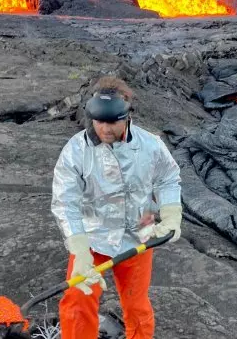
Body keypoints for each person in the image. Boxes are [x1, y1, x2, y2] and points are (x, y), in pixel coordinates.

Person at [50, 76, 182, 339]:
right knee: (77, 302)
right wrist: (79, 249)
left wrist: (170, 214)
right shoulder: (75, 151)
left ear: (127, 115)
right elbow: (66, 202)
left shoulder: (151, 145)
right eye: (99, 121)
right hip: (92, 240)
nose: (106, 129)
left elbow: (168, 177)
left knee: (136, 305)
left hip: (138, 237)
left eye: (113, 122)